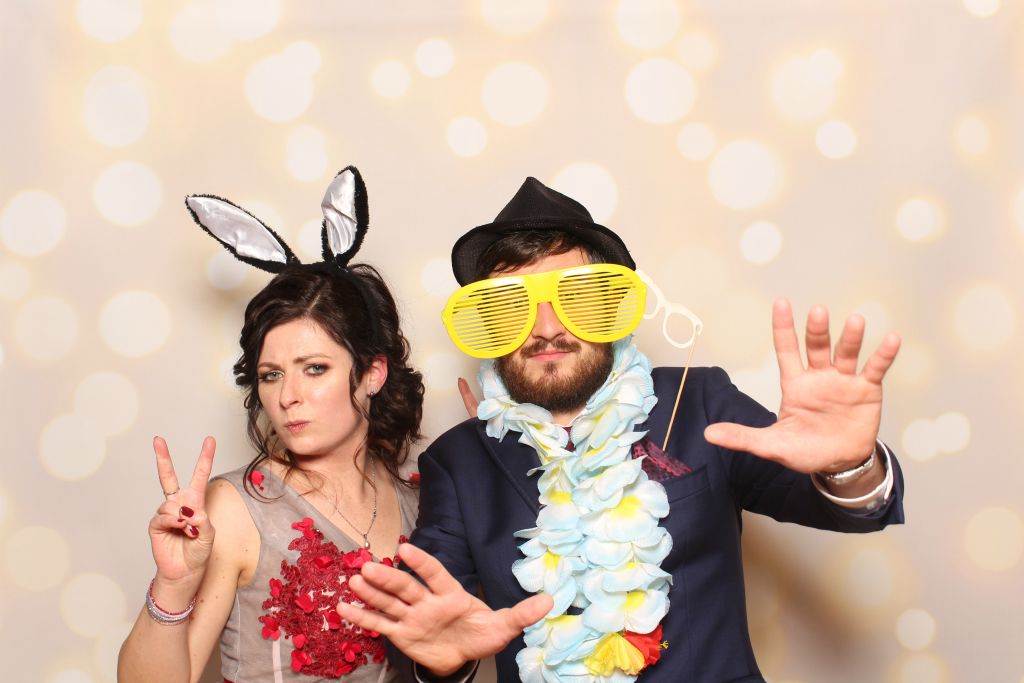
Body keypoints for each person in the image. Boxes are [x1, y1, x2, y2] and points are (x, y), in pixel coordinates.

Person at [337, 177, 905, 683]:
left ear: (612, 306)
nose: (546, 327)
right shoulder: (458, 461)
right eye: (512, 305)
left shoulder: (699, 401)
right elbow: (429, 613)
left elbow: (845, 507)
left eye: (575, 297)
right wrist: (443, 664)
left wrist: (849, 465)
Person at [118, 167, 425, 683]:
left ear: (373, 373)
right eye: (271, 375)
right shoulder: (235, 509)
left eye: (315, 369)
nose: (287, 397)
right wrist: (172, 587)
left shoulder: (419, 500)